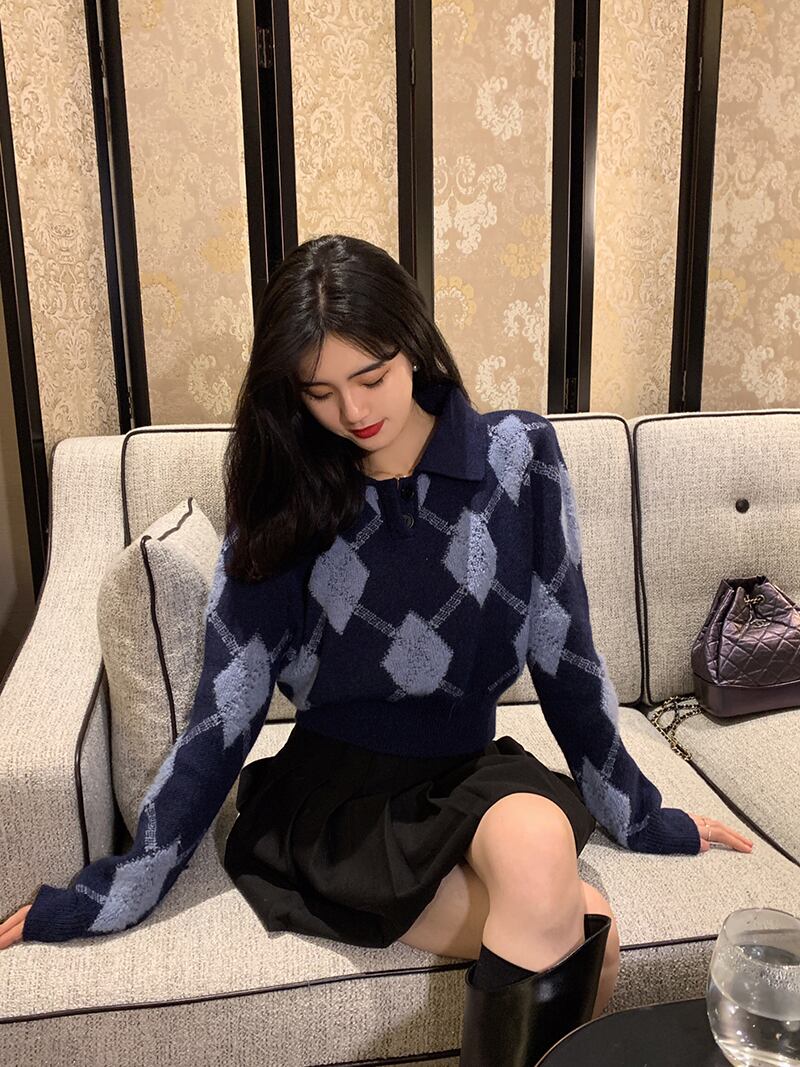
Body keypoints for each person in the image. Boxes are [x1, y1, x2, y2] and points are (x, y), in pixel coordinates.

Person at [1, 234, 753, 1063]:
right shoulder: (285, 488)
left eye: (371, 375)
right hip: (337, 798)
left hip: (468, 770)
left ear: (413, 341)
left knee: (543, 844)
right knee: (591, 931)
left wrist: (641, 815)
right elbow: (228, 704)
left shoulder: (519, 458)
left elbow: (566, 651)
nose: (353, 411)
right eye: (319, 391)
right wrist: (122, 884)